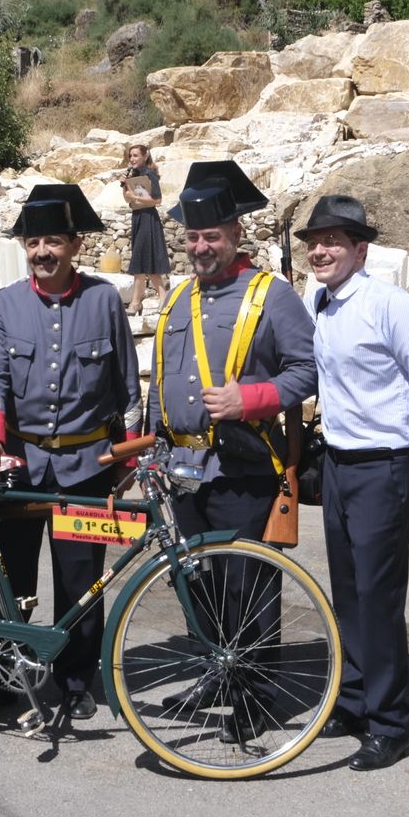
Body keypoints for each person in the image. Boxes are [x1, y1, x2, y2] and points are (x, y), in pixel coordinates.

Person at [144, 161, 316, 745]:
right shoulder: (179, 299)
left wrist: (251, 397)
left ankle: (258, 694)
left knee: (248, 586)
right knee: (199, 585)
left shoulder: (274, 296)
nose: (200, 246)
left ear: (236, 235)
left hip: (244, 467)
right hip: (182, 470)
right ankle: (218, 675)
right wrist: (151, 447)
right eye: (192, 236)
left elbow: (308, 371)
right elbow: (158, 381)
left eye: (211, 235)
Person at [0, 184, 141, 723]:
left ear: (74, 246)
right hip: (18, 466)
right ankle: (3, 677)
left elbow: (126, 389)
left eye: (53, 241)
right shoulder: (6, 303)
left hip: (86, 470)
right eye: (33, 241)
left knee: (79, 583)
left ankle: (74, 682)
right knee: (8, 578)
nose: (42, 251)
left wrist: (126, 461)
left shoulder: (104, 300)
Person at [297, 195, 409, 772]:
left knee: (379, 599)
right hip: (338, 464)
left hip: (383, 465)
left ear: (361, 249)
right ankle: (356, 699)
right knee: (348, 591)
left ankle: (391, 723)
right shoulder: (324, 304)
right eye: (315, 241)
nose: (321, 250)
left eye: (334, 240)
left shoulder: (390, 304)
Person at [120, 144, 168, 316]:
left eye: (135, 155)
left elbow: (157, 200)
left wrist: (134, 196)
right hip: (137, 218)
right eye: (130, 156)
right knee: (145, 261)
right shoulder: (134, 174)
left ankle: (135, 303)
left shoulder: (149, 174)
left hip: (148, 218)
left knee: (140, 260)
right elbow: (127, 200)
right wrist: (125, 186)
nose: (132, 159)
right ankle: (163, 298)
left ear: (145, 156)